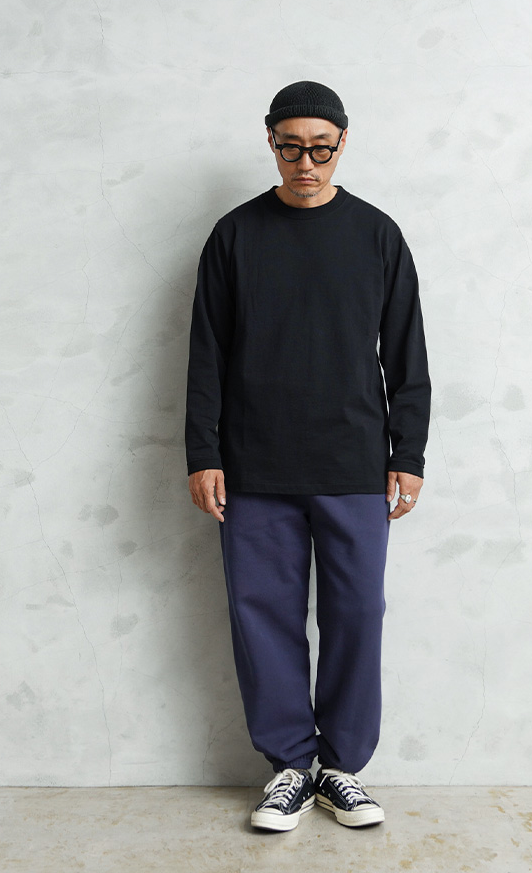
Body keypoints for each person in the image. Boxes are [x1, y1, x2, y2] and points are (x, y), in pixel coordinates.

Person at [185, 80, 431, 832]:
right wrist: (202, 451)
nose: (305, 163)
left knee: (358, 613)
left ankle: (341, 769)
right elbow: (206, 353)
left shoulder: (377, 234)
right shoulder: (235, 235)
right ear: (271, 142)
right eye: (291, 147)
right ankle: (290, 768)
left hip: (354, 461)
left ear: (342, 144)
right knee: (262, 615)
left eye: (321, 149)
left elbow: (408, 354)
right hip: (254, 464)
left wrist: (409, 452)